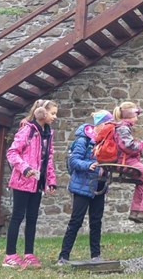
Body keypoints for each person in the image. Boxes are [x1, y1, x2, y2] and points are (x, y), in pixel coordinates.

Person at [3, 99, 58, 268]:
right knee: (18, 216)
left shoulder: (48, 133)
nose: (55, 117)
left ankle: (29, 254)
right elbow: (12, 152)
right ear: (41, 112)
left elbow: (48, 158)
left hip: (37, 183)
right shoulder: (27, 130)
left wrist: (51, 180)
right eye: (52, 113)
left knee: (32, 218)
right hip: (22, 182)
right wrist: (25, 168)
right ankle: (10, 255)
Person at [56, 110, 112, 266]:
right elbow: (74, 161)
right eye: (108, 124)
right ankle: (63, 256)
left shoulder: (106, 140)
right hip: (83, 186)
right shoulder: (83, 140)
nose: (111, 127)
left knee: (96, 221)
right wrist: (89, 165)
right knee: (76, 221)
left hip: (99, 186)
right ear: (100, 125)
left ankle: (96, 256)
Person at [114, 101, 143, 223]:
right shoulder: (123, 128)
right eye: (136, 116)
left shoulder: (122, 127)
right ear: (130, 115)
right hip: (127, 162)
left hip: (126, 161)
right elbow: (129, 146)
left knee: (142, 180)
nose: (137, 119)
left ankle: (135, 211)